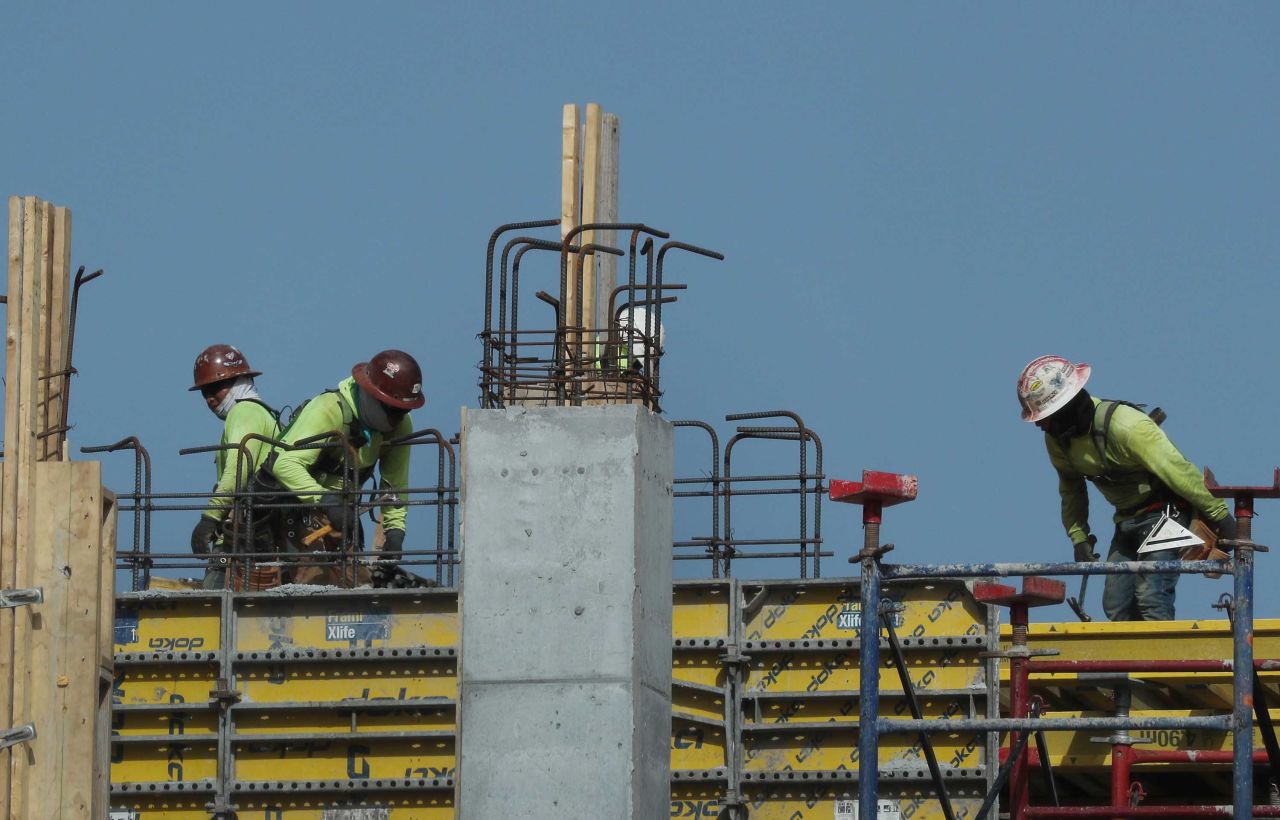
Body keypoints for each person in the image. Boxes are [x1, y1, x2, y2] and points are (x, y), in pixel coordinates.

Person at [1017, 355, 1237, 621]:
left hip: (1168, 515)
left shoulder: (1126, 426)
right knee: (1116, 605)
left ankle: (1163, 661)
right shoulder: (1059, 441)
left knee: (1151, 596)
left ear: (1065, 408)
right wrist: (1079, 537)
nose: (1039, 425)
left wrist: (1220, 515)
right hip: (1128, 521)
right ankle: (1135, 661)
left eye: (1045, 417)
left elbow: (1177, 470)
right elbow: (1071, 489)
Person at [266, 349, 424, 584]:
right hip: (295, 509)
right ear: (372, 395)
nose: (398, 418)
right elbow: (286, 464)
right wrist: (326, 501)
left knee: (358, 587)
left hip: (343, 516)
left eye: (404, 411)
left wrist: (395, 533)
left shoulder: (401, 425)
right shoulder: (328, 410)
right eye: (393, 410)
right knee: (314, 586)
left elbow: (395, 484)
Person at [189, 344, 280, 589]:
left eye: (215, 388)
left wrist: (209, 518)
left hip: (241, 539)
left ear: (240, 381)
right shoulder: (262, 413)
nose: (209, 397)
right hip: (252, 533)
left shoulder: (244, 412)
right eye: (203, 391)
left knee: (214, 604)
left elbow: (237, 471)